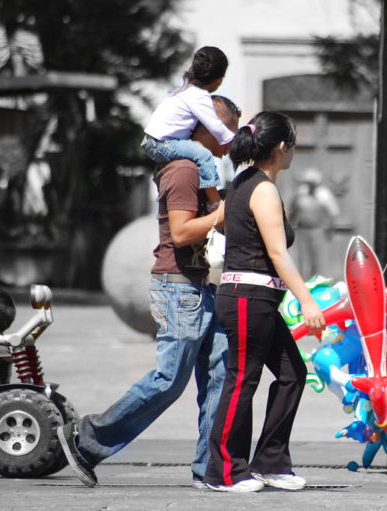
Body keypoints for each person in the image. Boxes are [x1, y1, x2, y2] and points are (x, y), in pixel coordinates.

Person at [57, 95, 241, 489]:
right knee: (169, 379)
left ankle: (209, 469)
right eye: (225, 132)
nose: (228, 143)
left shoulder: (202, 173)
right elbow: (181, 232)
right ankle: (86, 440)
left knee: (220, 373)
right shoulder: (183, 171)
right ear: (204, 126)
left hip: (198, 283)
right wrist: (224, 212)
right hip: (178, 287)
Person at [203, 111, 326, 493]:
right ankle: (222, 472)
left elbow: (227, 224)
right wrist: (308, 302)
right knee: (242, 381)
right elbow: (277, 252)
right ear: (281, 147)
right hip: (247, 297)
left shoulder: (244, 183)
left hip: (253, 299)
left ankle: (270, 463)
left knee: (293, 373)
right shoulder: (262, 189)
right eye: (294, 143)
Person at [141, 46, 234, 211]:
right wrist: (235, 140)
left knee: (195, 152)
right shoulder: (199, 96)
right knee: (203, 154)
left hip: (154, 141)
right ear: (220, 80)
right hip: (161, 143)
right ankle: (215, 202)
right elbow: (216, 127)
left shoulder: (186, 88)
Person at [288, 168, 340, 279]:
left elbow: (333, 212)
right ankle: (304, 282)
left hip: (318, 230)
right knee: (303, 260)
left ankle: (319, 282)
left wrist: (330, 229)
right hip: (303, 230)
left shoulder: (324, 194)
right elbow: (293, 210)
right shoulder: (300, 193)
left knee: (319, 259)